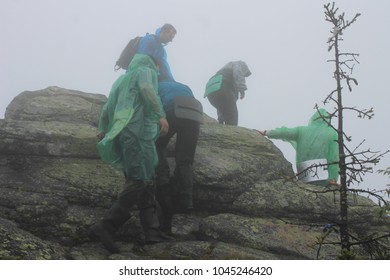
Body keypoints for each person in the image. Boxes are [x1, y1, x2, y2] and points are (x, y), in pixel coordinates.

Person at [90, 53, 173, 253]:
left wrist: (103, 127)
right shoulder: (145, 71)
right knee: (139, 180)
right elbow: (147, 89)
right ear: (154, 63)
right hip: (137, 132)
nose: (158, 69)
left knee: (144, 178)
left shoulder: (122, 79)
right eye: (158, 65)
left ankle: (152, 233)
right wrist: (161, 115)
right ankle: (107, 226)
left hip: (122, 131)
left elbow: (108, 107)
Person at [155, 81, 203, 233]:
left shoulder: (156, 85)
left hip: (173, 108)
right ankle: (186, 201)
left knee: (158, 144)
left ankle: (163, 183)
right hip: (195, 111)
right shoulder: (183, 85)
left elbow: (153, 105)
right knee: (185, 160)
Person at [259, 108, 339, 187]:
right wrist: (333, 178)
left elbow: (285, 132)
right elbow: (334, 156)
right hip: (324, 176)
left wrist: (267, 133)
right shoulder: (332, 133)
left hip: (303, 172)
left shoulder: (301, 130)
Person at [204, 61, 251, 125]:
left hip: (210, 90)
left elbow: (223, 104)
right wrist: (242, 88)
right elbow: (238, 72)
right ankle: (232, 133)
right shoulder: (236, 64)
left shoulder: (222, 73)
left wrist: (221, 118)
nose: (244, 76)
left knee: (224, 107)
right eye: (244, 73)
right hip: (222, 87)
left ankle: (221, 123)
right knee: (233, 116)